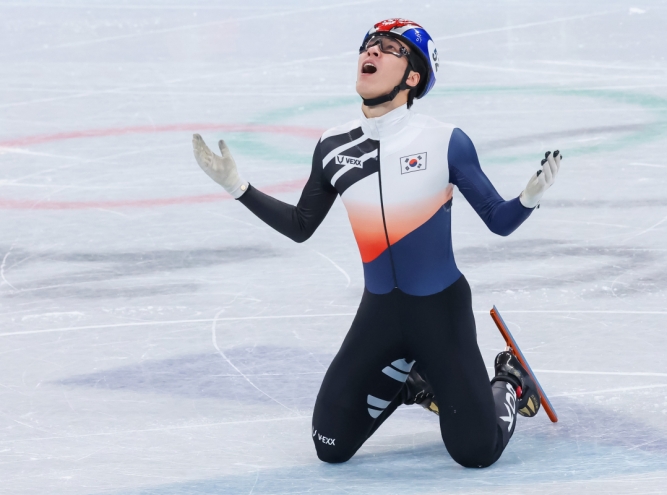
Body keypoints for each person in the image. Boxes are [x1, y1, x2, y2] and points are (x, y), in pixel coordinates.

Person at [192, 18, 561, 468]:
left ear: (413, 77)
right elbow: (301, 225)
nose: (371, 53)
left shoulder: (445, 141)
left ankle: (510, 380)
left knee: (475, 452)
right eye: (369, 45)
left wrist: (528, 200)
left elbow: (498, 221)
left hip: (439, 310)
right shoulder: (332, 145)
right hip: (381, 312)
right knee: (329, 446)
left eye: (388, 48)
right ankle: (413, 379)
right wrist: (238, 187)